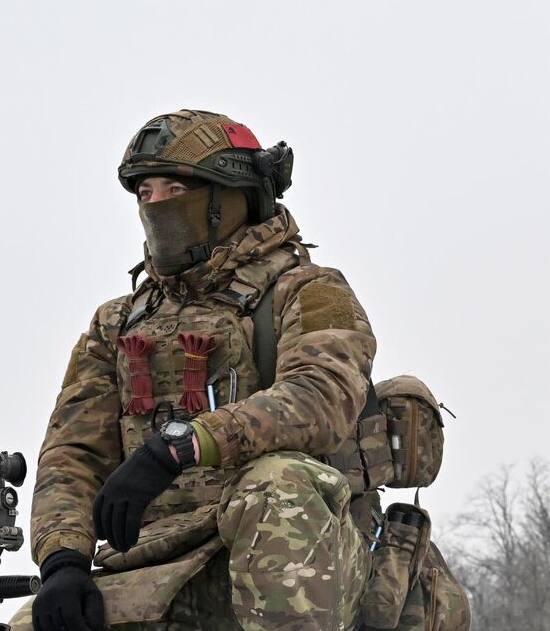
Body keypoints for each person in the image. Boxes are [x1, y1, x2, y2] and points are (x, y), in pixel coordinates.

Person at [20, 109, 377, 631]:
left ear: (232, 196)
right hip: (160, 560)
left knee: (277, 483)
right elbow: (72, 453)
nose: (158, 203)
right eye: (146, 193)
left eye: (176, 188)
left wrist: (181, 445)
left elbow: (319, 399)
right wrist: (63, 558)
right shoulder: (117, 322)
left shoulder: (309, 290)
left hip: (296, 555)